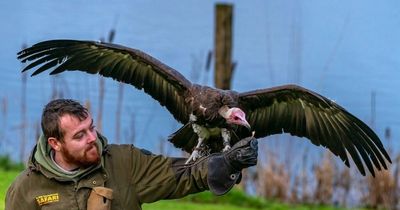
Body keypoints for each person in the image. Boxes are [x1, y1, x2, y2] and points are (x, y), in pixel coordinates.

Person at [5, 99, 258, 210]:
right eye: (79, 136)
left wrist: (227, 163)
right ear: (55, 143)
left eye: (91, 128)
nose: (92, 138)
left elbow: (184, 175)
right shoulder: (26, 189)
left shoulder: (125, 163)